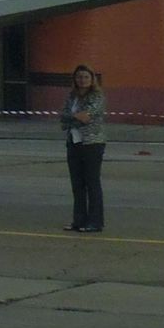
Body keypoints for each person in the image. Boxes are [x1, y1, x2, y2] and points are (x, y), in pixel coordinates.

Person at [60, 64, 107, 233]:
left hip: (92, 144)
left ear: (92, 79)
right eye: (79, 77)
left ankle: (95, 222)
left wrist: (72, 117)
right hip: (73, 142)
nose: (83, 80)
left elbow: (87, 116)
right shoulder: (72, 96)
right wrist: (74, 116)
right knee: (77, 184)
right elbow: (63, 118)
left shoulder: (96, 96)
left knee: (92, 182)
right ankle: (78, 220)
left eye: (86, 77)